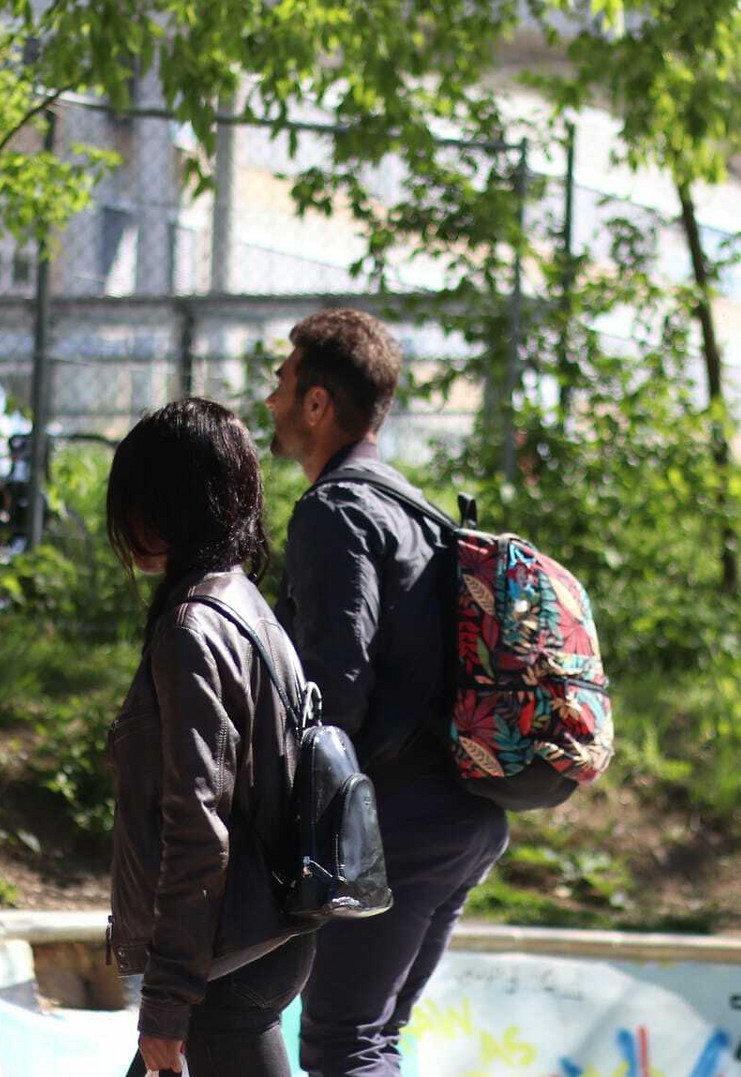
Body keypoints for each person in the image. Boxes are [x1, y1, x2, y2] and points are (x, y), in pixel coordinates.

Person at [265, 309, 509, 1077]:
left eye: (281, 381)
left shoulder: (335, 511)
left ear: (316, 403)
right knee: (369, 1040)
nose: (270, 398)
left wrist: (283, 818)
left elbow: (335, 689)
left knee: (344, 1044)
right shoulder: (416, 509)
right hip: (464, 813)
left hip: (402, 820)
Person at [105, 397, 318, 1077]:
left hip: (224, 965)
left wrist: (168, 1001)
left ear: (162, 504)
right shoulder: (248, 606)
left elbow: (197, 826)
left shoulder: (191, 630)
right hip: (261, 939)